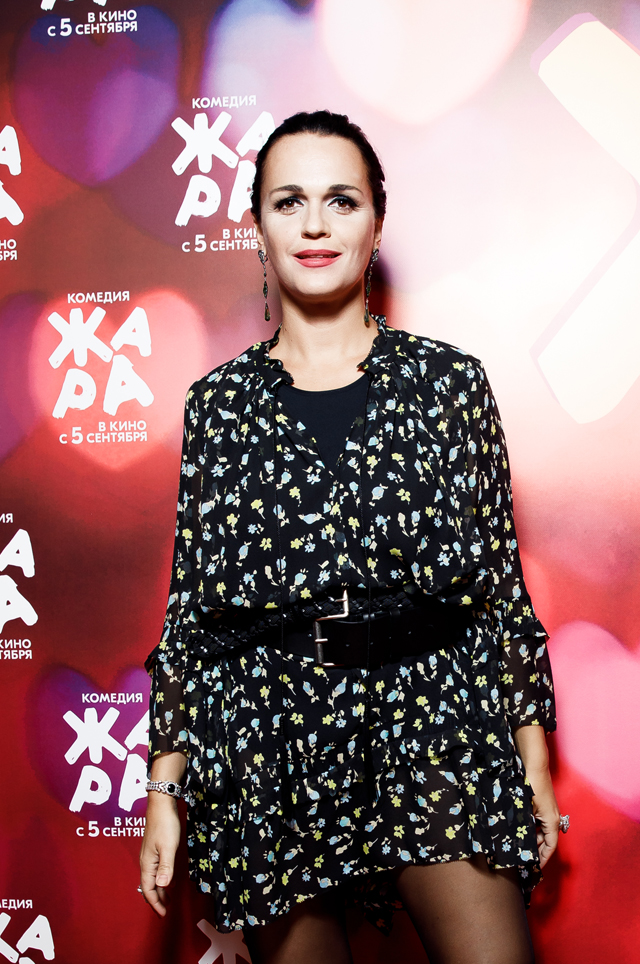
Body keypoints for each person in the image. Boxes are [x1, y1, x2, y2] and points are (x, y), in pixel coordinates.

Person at [140, 110, 564, 964]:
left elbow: (498, 589)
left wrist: (533, 762)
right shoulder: (218, 407)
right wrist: (164, 790)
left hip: (433, 715)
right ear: (258, 225)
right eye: (288, 201)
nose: (316, 224)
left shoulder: (449, 384)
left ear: (376, 220)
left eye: (341, 200)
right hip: (272, 730)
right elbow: (193, 611)